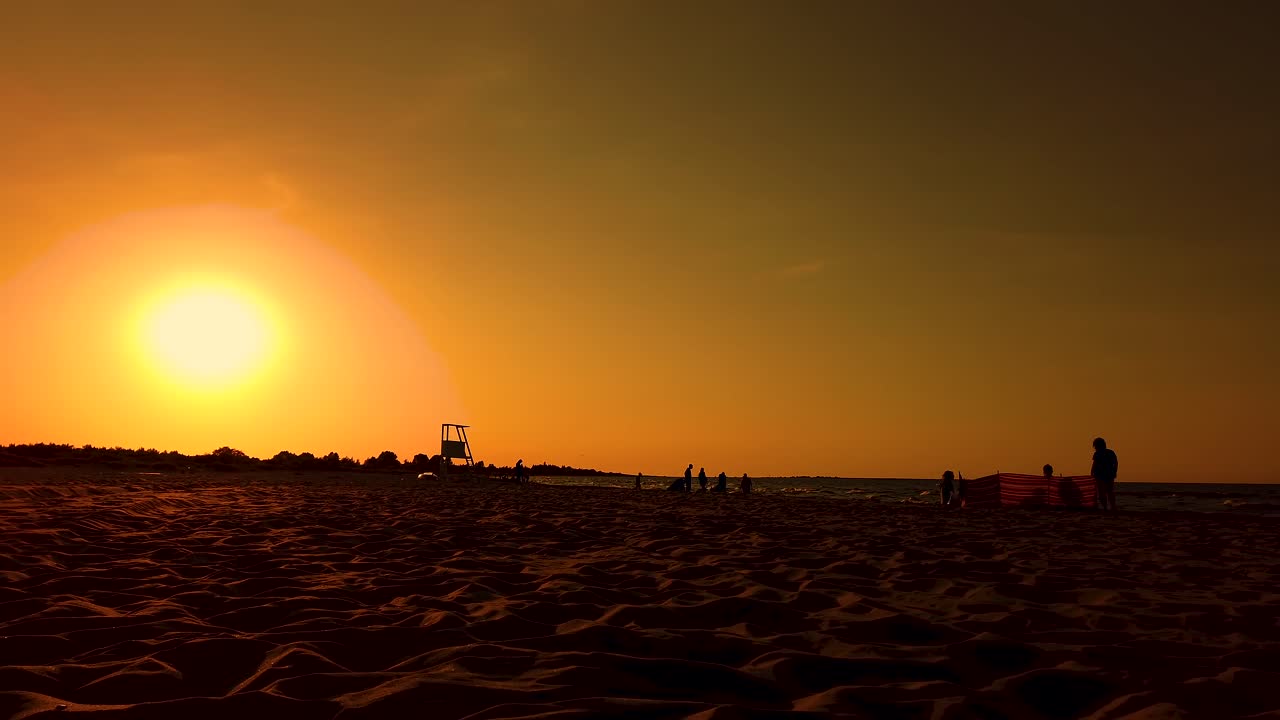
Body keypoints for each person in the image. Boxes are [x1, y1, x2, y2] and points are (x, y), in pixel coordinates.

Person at [1091, 437, 1119, 511]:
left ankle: (1107, 507)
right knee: (1109, 491)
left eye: (1095, 446)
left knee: (1103, 492)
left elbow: (1094, 464)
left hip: (1101, 475)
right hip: (1107, 474)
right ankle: (1111, 507)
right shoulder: (1110, 452)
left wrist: (1091, 473)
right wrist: (1114, 471)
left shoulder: (1098, 453)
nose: (1095, 448)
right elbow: (1115, 463)